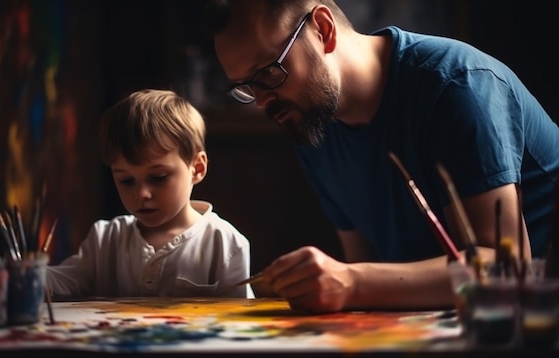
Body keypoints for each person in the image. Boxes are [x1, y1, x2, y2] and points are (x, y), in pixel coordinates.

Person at [202, 0, 559, 313]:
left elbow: (508, 271)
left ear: (323, 30)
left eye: (267, 73)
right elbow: (371, 270)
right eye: (246, 88)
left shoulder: (458, 86)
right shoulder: (312, 125)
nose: (262, 101)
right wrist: (345, 283)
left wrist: (351, 282)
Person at [47, 89, 254, 298]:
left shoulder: (225, 243)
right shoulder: (105, 240)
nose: (142, 193)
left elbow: (238, 319)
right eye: (126, 180)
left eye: (158, 177)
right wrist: (23, 275)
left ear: (197, 168)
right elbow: (65, 281)